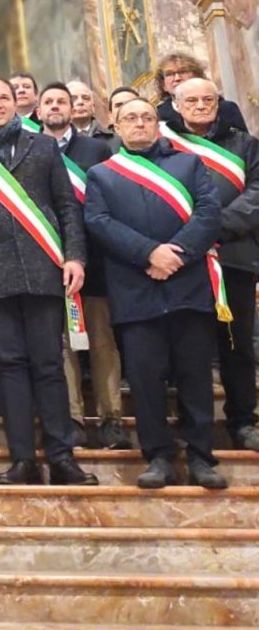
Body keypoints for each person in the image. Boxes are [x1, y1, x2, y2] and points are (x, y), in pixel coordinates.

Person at [0, 76, 97, 486]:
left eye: (4, 98)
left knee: (49, 364)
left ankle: (62, 458)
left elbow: (67, 206)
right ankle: (22, 460)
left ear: (17, 103)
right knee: (8, 365)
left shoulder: (42, 146)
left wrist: (75, 257)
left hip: (44, 267)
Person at [84, 97, 228, 489]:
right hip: (136, 288)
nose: (140, 124)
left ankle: (200, 456)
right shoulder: (102, 174)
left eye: (147, 117)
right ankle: (159, 456)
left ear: (158, 122)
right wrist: (148, 252)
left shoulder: (188, 163)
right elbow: (98, 221)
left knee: (195, 376)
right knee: (145, 381)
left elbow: (209, 212)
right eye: (130, 118)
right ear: (115, 124)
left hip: (187, 283)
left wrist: (176, 254)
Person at [165, 78, 259, 452]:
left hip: (232, 256)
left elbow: (257, 192)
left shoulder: (245, 145)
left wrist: (213, 227)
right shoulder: (164, 146)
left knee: (237, 347)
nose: (201, 105)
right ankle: (194, 425)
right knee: (190, 348)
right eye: (192, 100)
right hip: (184, 261)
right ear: (176, 104)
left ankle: (243, 421)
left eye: (209, 99)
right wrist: (192, 239)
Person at [35, 82, 128, 450]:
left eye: (62, 101)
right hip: (47, 259)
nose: (56, 106)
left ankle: (111, 419)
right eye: (49, 101)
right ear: (38, 111)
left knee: (102, 341)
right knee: (61, 344)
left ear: (74, 108)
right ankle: (71, 418)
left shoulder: (97, 149)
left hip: (95, 259)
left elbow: (110, 201)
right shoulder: (30, 150)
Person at [155, 52, 249, 133]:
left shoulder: (226, 108)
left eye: (183, 71)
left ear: (197, 76)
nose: (177, 78)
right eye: (169, 74)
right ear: (163, 85)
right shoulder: (157, 116)